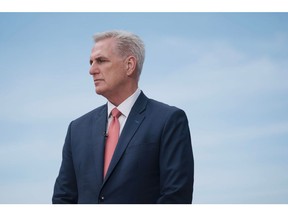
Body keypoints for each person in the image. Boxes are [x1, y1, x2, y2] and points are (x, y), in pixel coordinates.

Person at [52, 30, 194, 204]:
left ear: (129, 65)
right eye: (91, 62)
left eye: (101, 61)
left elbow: (176, 196)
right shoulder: (77, 129)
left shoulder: (168, 120)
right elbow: (64, 198)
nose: (91, 70)